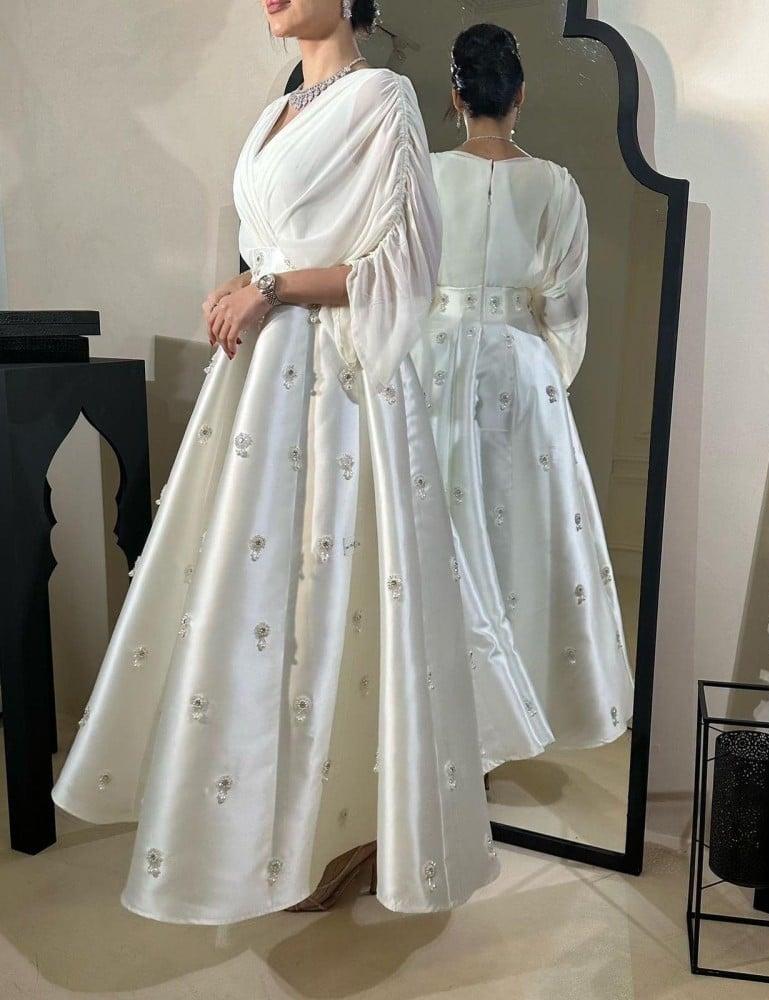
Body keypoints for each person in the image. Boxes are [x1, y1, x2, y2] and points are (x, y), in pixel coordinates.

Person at [52, 0, 499, 925]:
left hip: (338, 390)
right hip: (259, 387)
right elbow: (276, 246)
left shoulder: (384, 98)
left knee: (328, 600)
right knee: (257, 604)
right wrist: (251, 285)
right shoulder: (275, 113)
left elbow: (406, 267)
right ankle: (264, 827)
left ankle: (348, 830)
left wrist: (267, 286)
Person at [416, 23, 634, 772]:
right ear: (520, 97)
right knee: (514, 537)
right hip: (517, 365)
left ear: (456, 97)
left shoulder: (424, 176)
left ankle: (437, 719)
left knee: (436, 528)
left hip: (431, 356)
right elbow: (565, 306)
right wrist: (546, 378)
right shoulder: (556, 185)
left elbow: (401, 284)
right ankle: (501, 717)